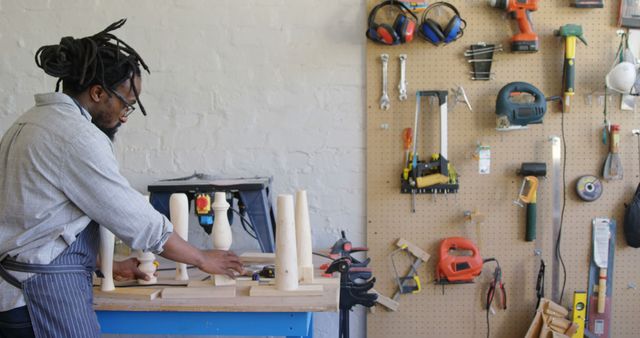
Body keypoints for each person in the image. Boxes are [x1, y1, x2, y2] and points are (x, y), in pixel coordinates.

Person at [0, 19, 244, 338]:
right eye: (126, 104)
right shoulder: (76, 137)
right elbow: (135, 219)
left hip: (15, 295)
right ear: (99, 92)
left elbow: (40, 221)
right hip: (39, 300)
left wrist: (109, 266)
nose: (124, 117)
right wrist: (201, 257)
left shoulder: (30, 122)